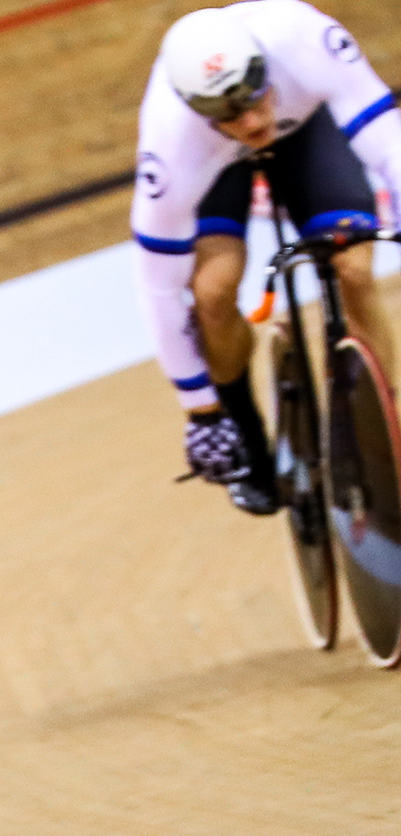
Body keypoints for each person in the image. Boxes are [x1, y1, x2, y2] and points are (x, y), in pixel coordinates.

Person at [131, 2, 400, 514]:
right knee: (212, 288)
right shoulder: (171, 143)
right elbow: (158, 288)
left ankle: (383, 422)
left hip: (305, 130)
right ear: (197, 107)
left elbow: (391, 149)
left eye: (255, 99)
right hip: (215, 164)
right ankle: (247, 431)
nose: (253, 122)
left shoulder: (304, 40)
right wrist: (203, 414)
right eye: (231, 114)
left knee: (354, 266)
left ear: (266, 70)